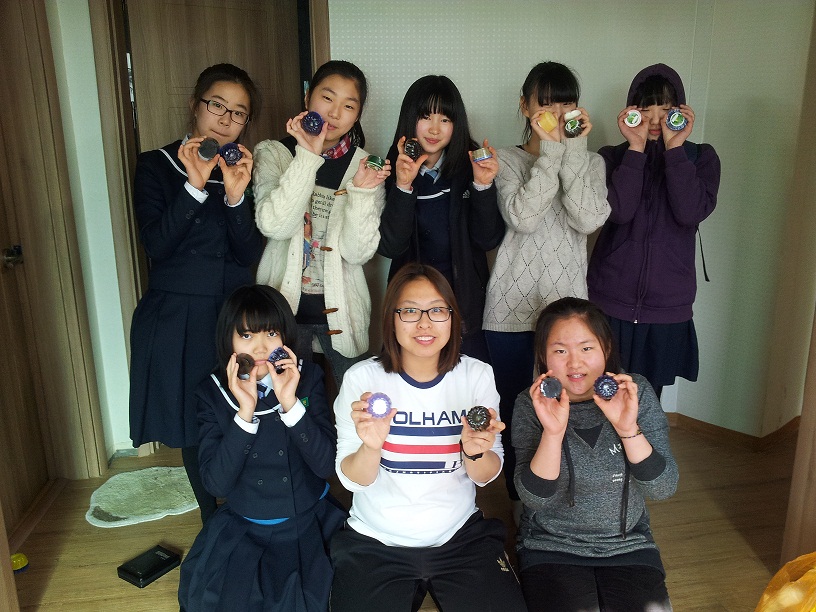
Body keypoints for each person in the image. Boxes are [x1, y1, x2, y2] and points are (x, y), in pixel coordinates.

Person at [330, 263, 527, 612]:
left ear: (452, 318)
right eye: (410, 311)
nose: (424, 323)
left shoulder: (476, 375)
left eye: (437, 310)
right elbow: (352, 481)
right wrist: (371, 448)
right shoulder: (362, 380)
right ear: (391, 319)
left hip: (459, 536)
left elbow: (485, 476)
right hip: (376, 541)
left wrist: (474, 452)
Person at [129, 63, 265, 524]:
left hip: (233, 317)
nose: (226, 120)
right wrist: (194, 185)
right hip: (178, 316)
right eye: (217, 106)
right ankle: (212, 521)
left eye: (239, 113)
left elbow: (248, 252)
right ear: (195, 105)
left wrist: (235, 196)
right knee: (192, 421)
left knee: (242, 407)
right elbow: (157, 244)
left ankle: (249, 511)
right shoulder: (156, 165)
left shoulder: (243, 169)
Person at [482, 62, 610, 513]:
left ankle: (564, 506)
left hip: (569, 318)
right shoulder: (505, 160)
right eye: (546, 103)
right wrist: (552, 154)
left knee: (571, 411)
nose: (556, 113)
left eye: (566, 103)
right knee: (518, 412)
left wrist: (572, 152)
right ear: (525, 106)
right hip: (509, 312)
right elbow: (523, 216)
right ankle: (523, 503)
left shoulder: (591, 162)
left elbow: (589, 219)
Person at [178, 284, 345, 612]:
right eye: (246, 335)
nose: (260, 347)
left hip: (310, 521)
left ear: (285, 336)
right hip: (246, 527)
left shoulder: (308, 377)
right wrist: (245, 412)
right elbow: (216, 484)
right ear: (229, 340)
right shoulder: (211, 394)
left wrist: (290, 403)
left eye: (271, 333)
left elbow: (326, 465)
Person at [513, 296, 677, 612]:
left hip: (629, 545)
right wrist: (553, 432)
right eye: (560, 351)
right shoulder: (531, 404)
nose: (575, 363)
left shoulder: (636, 393)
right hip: (550, 547)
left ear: (607, 348)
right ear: (543, 355)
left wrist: (627, 428)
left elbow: (663, 488)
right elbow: (535, 500)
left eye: (586, 348)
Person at [252, 60, 389, 390]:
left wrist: (361, 191)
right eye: (327, 98)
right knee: (290, 403)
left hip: (345, 315)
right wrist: (307, 156)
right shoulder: (274, 153)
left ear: (357, 115)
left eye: (349, 106)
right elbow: (274, 226)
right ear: (307, 97)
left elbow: (358, 253)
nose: (335, 112)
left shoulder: (366, 166)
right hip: (280, 316)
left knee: (356, 403)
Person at [587, 63, 721, 397]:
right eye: (646, 109)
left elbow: (690, 212)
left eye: (666, 108)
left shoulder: (701, 158)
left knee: (646, 401)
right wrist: (636, 150)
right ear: (632, 112)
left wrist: (675, 151)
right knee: (598, 395)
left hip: (666, 305)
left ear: (680, 110)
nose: (656, 119)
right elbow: (619, 212)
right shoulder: (611, 158)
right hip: (610, 299)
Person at [378, 75, 504, 364]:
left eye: (445, 119)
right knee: (410, 378)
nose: (435, 129)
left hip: (464, 304)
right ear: (410, 119)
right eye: (426, 117)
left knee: (467, 380)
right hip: (411, 309)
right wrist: (403, 186)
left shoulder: (471, 166)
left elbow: (488, 240)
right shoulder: (390, 168)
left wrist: (483, 185)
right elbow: (391, 246)